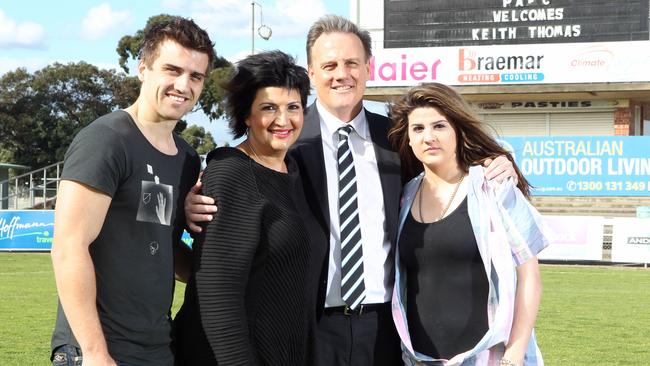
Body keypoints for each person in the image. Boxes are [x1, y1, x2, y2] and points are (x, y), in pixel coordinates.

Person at [184, 15, 516, 366]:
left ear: (368, 69)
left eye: (351, 63)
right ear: (311, 73)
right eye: (329, 65)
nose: (341, 74)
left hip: (386, 328)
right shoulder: (286, 142)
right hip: (311, 327)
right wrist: (193, 202)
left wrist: (499, 160)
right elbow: (240, 192)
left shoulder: (400, 138)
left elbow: (454, 160)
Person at [49, 17, 215, 366]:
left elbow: (174, 262)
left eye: (195, 76)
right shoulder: (107, 140)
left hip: (157, 346)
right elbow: (68, 247)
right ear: (143, 68)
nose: (183, 85)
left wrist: (191, 227)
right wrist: (95, 353)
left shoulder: (186, 158)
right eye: (172, 70)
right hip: (97, 349)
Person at [173, 50, 324, 366]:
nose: (283, 120)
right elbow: (218, 298)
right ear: (246, 115)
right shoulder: (231, 173)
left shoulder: (295, 171)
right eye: (269, 108)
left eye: (293, 107)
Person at [387, 83, 548, 366]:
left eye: (439, 126)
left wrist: (514, 353)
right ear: (409, 139)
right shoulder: (405, 195)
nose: (429, 137)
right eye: (418, 129)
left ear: (458, 131)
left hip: (488, 357)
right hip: (418, 359)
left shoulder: (493, 187)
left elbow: (529, 275)